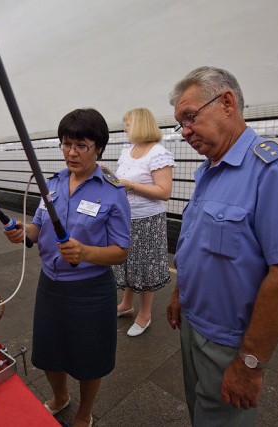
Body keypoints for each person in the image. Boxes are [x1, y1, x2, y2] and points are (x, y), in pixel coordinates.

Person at [166, 66, 278, 425]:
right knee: (199, 412)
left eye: (190, 117)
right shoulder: (209, 169)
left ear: (227, 102)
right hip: (193, 325)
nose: (185, 132)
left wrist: (250, 364)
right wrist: (180, 293)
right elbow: (198, 245)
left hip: (230, 342)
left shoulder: (277, 170)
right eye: (180, 123)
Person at [4, 108, 131, 427]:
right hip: (51, 285)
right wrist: (23, 232)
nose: (72, 152)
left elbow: (121, 252)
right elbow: (37, 226)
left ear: (99, 147)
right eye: (66, 143)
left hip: (90, 292)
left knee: (90, 359)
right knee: (48, 352)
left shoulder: (112, 192)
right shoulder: (53, 184)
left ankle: (85, 412)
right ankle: (61, 397)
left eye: (81, 145)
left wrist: (86, 251)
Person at [112, 108, 175, 337]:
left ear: (139, 124)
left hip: (148, 220)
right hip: (126, 217)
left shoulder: (158, 153)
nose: (125, 128)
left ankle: (145, 314)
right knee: (127, 262)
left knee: (146, 267)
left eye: (128, 124)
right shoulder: (128, 151)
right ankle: (127, 305)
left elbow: (164, 191)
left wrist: (129, 185)